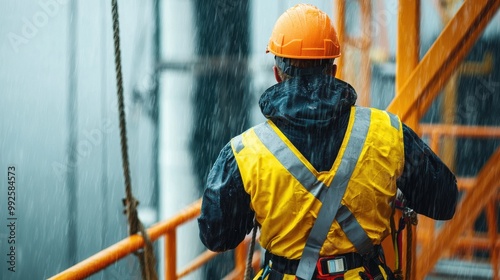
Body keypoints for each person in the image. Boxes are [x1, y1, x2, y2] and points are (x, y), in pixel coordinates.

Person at [198, 3, 458, 280]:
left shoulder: (245, 152)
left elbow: (216, 236)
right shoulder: (388, 132)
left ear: (277, 74)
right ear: (333, 71)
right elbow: (444, 201)